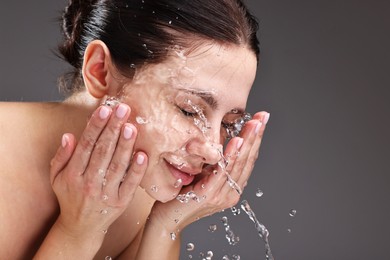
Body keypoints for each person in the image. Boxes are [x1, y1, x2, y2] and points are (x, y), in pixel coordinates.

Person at [0, 0, 270, 259]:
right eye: (188, 110)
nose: (213, 152)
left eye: (227, 124)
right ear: (100, 71)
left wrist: (166, 228)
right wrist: (77, 232)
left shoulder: (135, 189)